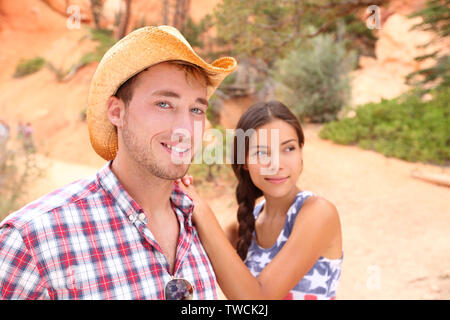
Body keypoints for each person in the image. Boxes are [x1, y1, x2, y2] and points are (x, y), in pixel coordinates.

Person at [0, 25, 237, 300]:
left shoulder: (198, 225)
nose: (185, 127)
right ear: (117, 112)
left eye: (196, 109)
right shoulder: (31, 242)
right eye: (164, 104)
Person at [178, 101, 343, 300]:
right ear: (244, 162)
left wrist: (201, 209)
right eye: (262, 152)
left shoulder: (318, 213)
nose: (276, 164)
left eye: (288, 149)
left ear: (301, 153)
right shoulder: (242, 227)